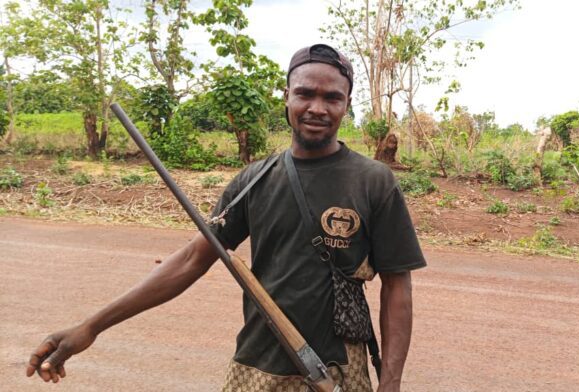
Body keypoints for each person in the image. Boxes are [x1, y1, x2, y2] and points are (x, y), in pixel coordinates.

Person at [26, 43, 426, 392]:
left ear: (347, 104)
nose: (317, 108)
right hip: (256, 364)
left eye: (332, 97)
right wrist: (92, 326)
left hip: (340, 370)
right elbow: (192, 259)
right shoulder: (253, 181)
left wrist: (390, 382)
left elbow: (397, 287)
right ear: (286, 96)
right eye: (304, 94)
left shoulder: (374, 181)